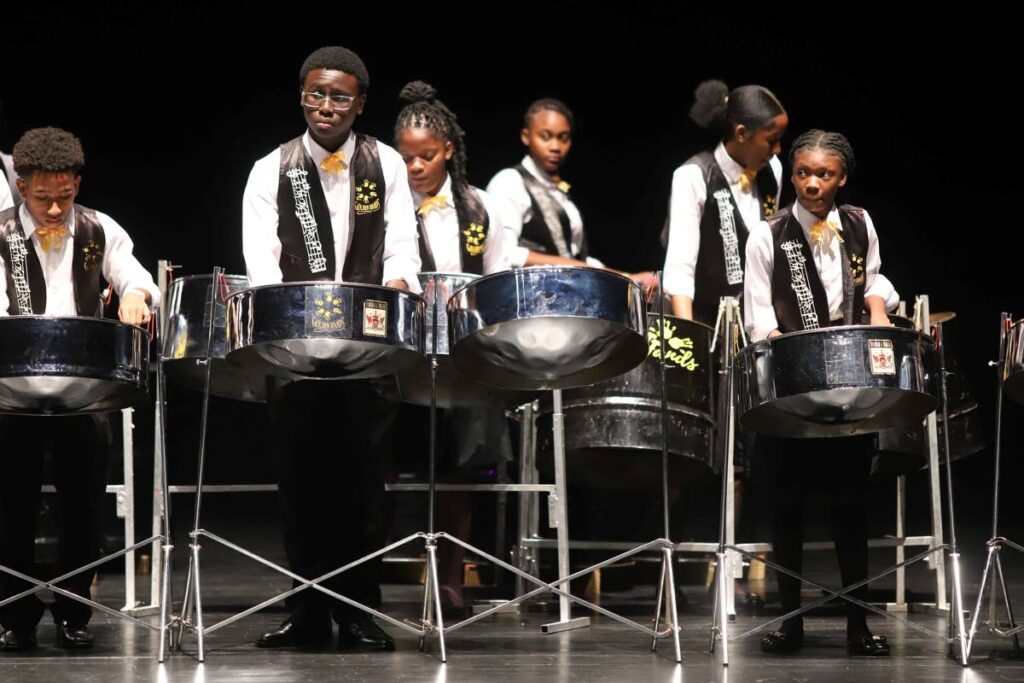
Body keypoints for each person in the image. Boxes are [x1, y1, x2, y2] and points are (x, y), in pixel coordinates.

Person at [242, 46, 420, 652]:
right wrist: (284, 324)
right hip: (297, 352)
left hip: (367, 348)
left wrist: (399, 285)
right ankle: (308, 613)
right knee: (301, 486)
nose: (326, 106)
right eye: (316, 93)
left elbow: (401, 245)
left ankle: (359, 611)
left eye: (339, 96)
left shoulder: (386, 163)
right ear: (301, 95)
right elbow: (261, 260)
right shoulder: (272, 168)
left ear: (359, 103)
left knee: (366, 486)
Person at [0, 127, 158, 651]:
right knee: (10, 507)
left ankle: (75, 613)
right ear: (21, 187)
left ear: (77, 185)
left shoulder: (98, 228)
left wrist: (136, 296)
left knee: (84, 507)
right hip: (12, 394)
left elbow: (137, 277)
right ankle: (12, 615)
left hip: (83, 392)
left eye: (64, 197)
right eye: (43, 198)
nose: (53, 210)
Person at [743, 129, 898, 656]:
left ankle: (857, 623)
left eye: (824, 174)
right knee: (786, 507)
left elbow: (875, 278)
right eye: (803, 173)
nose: (812, 184)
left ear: (842, 178)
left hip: (848, 381)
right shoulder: (769, 232)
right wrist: (787, 349)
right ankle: (791, 623)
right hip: (794, 383)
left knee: (850, 506)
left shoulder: (859, 222)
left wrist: (877, 306)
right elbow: (758, 312)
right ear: (792, 173)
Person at [394, 80, 512, 617]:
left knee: (460, 474)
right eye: (406, 157)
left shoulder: (478, 205)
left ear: (449, 151)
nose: (415, 167)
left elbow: (498, 280)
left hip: (461, 356)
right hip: (401, 353)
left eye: (426, 156)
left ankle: (450, 580)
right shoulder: (385, 202)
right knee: (399, 465)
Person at [486, 98, 656, 289]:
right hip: (530, 299)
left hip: (568, 298)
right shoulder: (510, 181)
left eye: (563, 138)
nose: (555, 147)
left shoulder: (560, 191)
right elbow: (505, 252)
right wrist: (579, 267)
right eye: (545, 136)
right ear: (526, 136)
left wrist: (627, 277)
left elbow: (575, 256)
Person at [663, 79, 787, 325]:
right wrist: (691, 334)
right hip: (703, 322)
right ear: (741, 133)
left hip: (752, 325)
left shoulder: (773, 170)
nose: (779, 149)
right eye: (772, 140)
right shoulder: (693, 176)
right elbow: (680, 268)